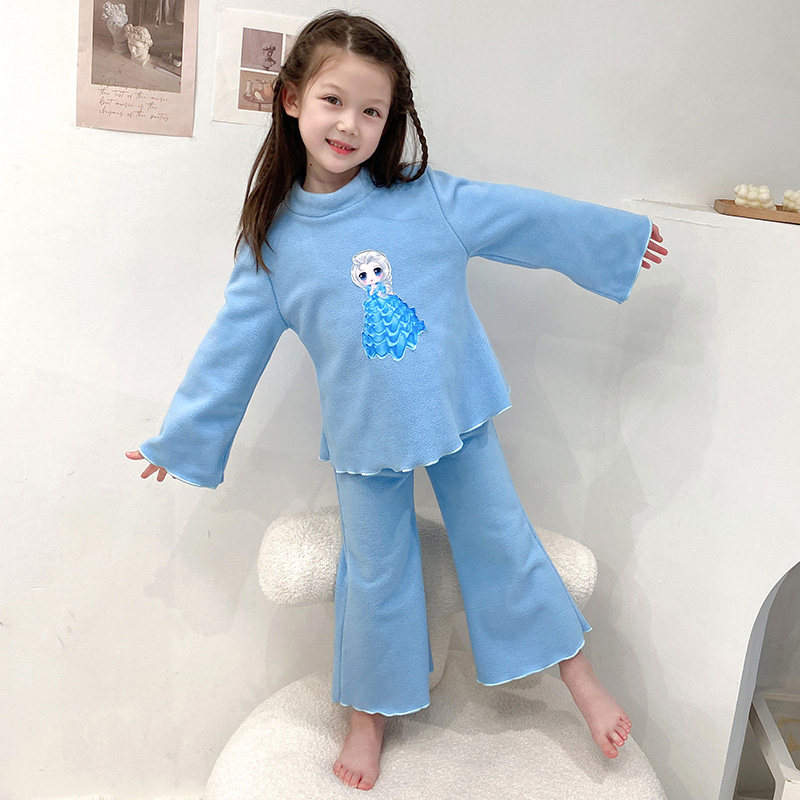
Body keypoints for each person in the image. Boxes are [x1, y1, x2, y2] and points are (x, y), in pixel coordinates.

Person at [126, 8, 668, 791]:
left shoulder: (425, 199)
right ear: (291, 100)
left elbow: (522, 214)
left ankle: (578, 677)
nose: (350, 124)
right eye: (333, 101)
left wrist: (615, 238)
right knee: (374, 576)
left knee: (502, 541)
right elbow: (229, 351)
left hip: (456, 411)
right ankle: (368, 717)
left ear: (391, 120)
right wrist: (181, 439)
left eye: (372, 110)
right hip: (365, 436)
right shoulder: (274, 245)